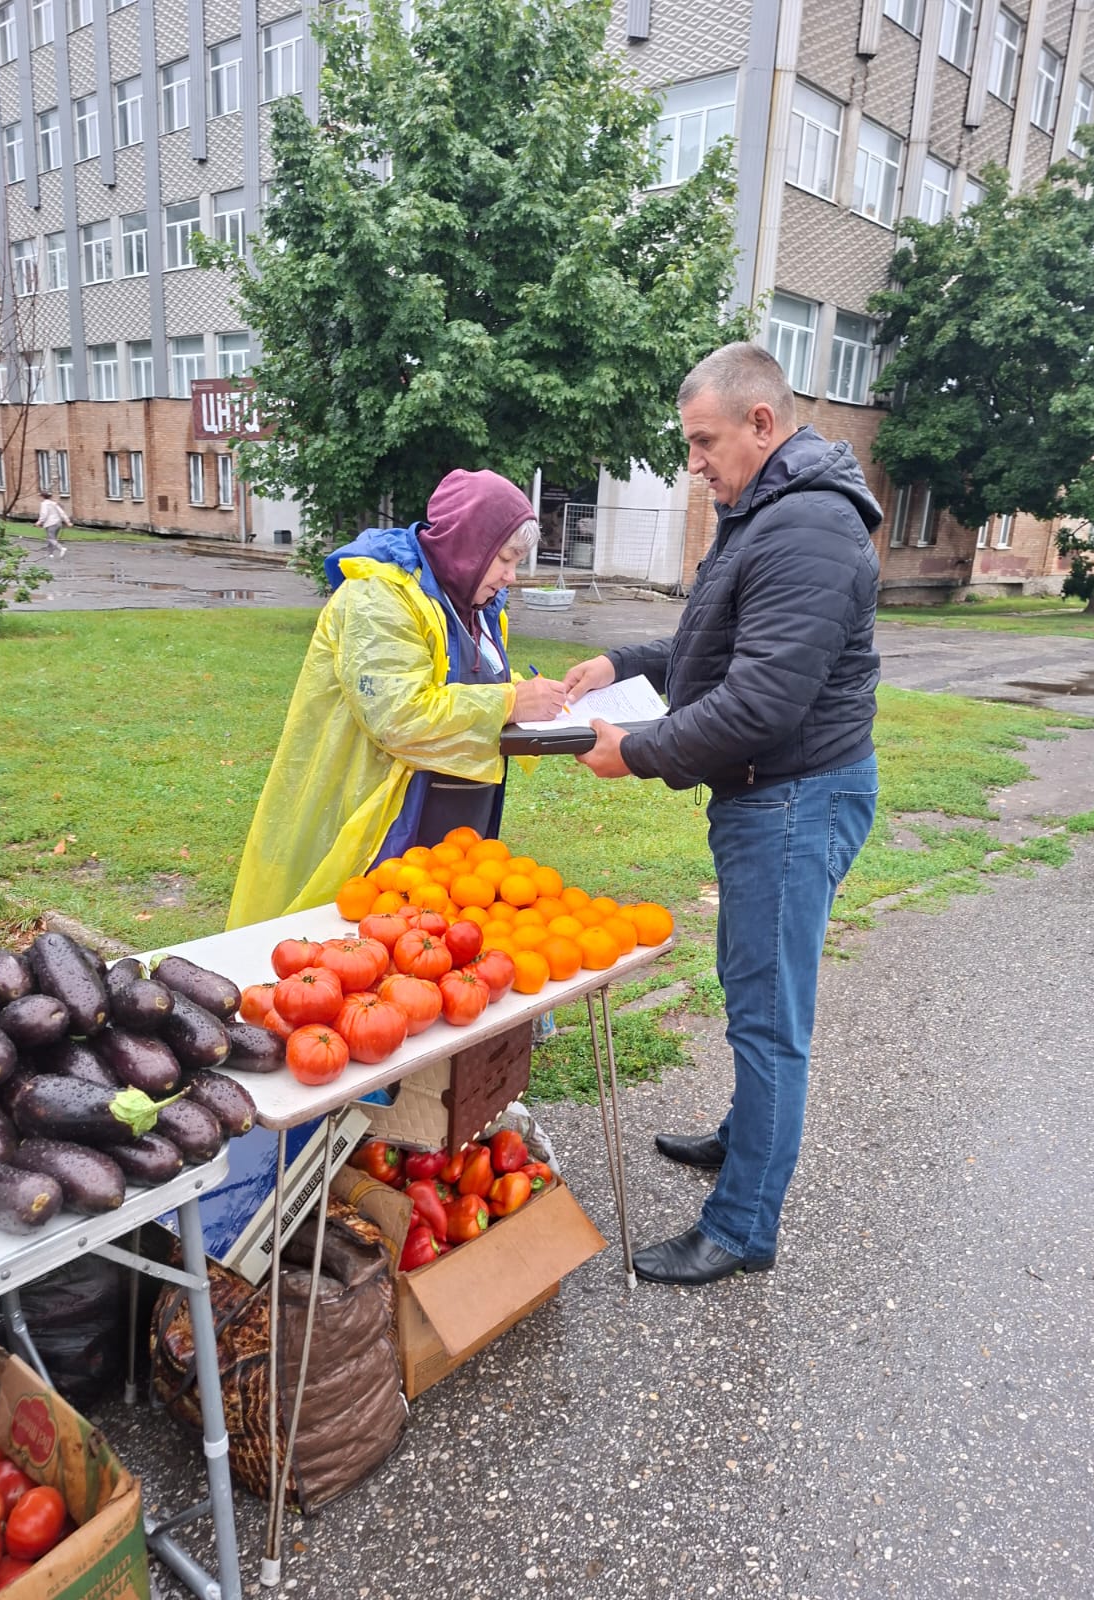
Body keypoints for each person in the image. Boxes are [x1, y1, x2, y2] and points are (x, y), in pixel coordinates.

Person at [564, 342, 881, 1286]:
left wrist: (638, 753)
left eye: (703, 442)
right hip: (774, 793)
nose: (693, 463)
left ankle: (743, 1224)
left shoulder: (809, 527)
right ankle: (746, 1140)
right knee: (759, 997)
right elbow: (712, 642)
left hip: (791, 797)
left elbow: (761, 704)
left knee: (767, 1018)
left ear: (760, 423)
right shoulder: (763, 513)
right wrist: (624, 663)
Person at [228, 469, 566, 929]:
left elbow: (481, 693)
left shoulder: (481, 609)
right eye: (505, 558)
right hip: (381, 819)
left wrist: (543, 713)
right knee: (365, 945)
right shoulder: (377, 597)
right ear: (468, 544)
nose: (510, 575)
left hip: (457, 831)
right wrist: (511, 702)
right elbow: (397, 717)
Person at [35, 493, 71, 557]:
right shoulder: (54, 503)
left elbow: (44, 514)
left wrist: (39, 522)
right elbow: (62, 513)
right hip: (58, 523)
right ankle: (50, 554)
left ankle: (61, 548)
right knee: (53, 539)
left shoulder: (44, 504)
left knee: (51, 538)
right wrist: (67, 521)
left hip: (50, 523)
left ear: (42, 497)